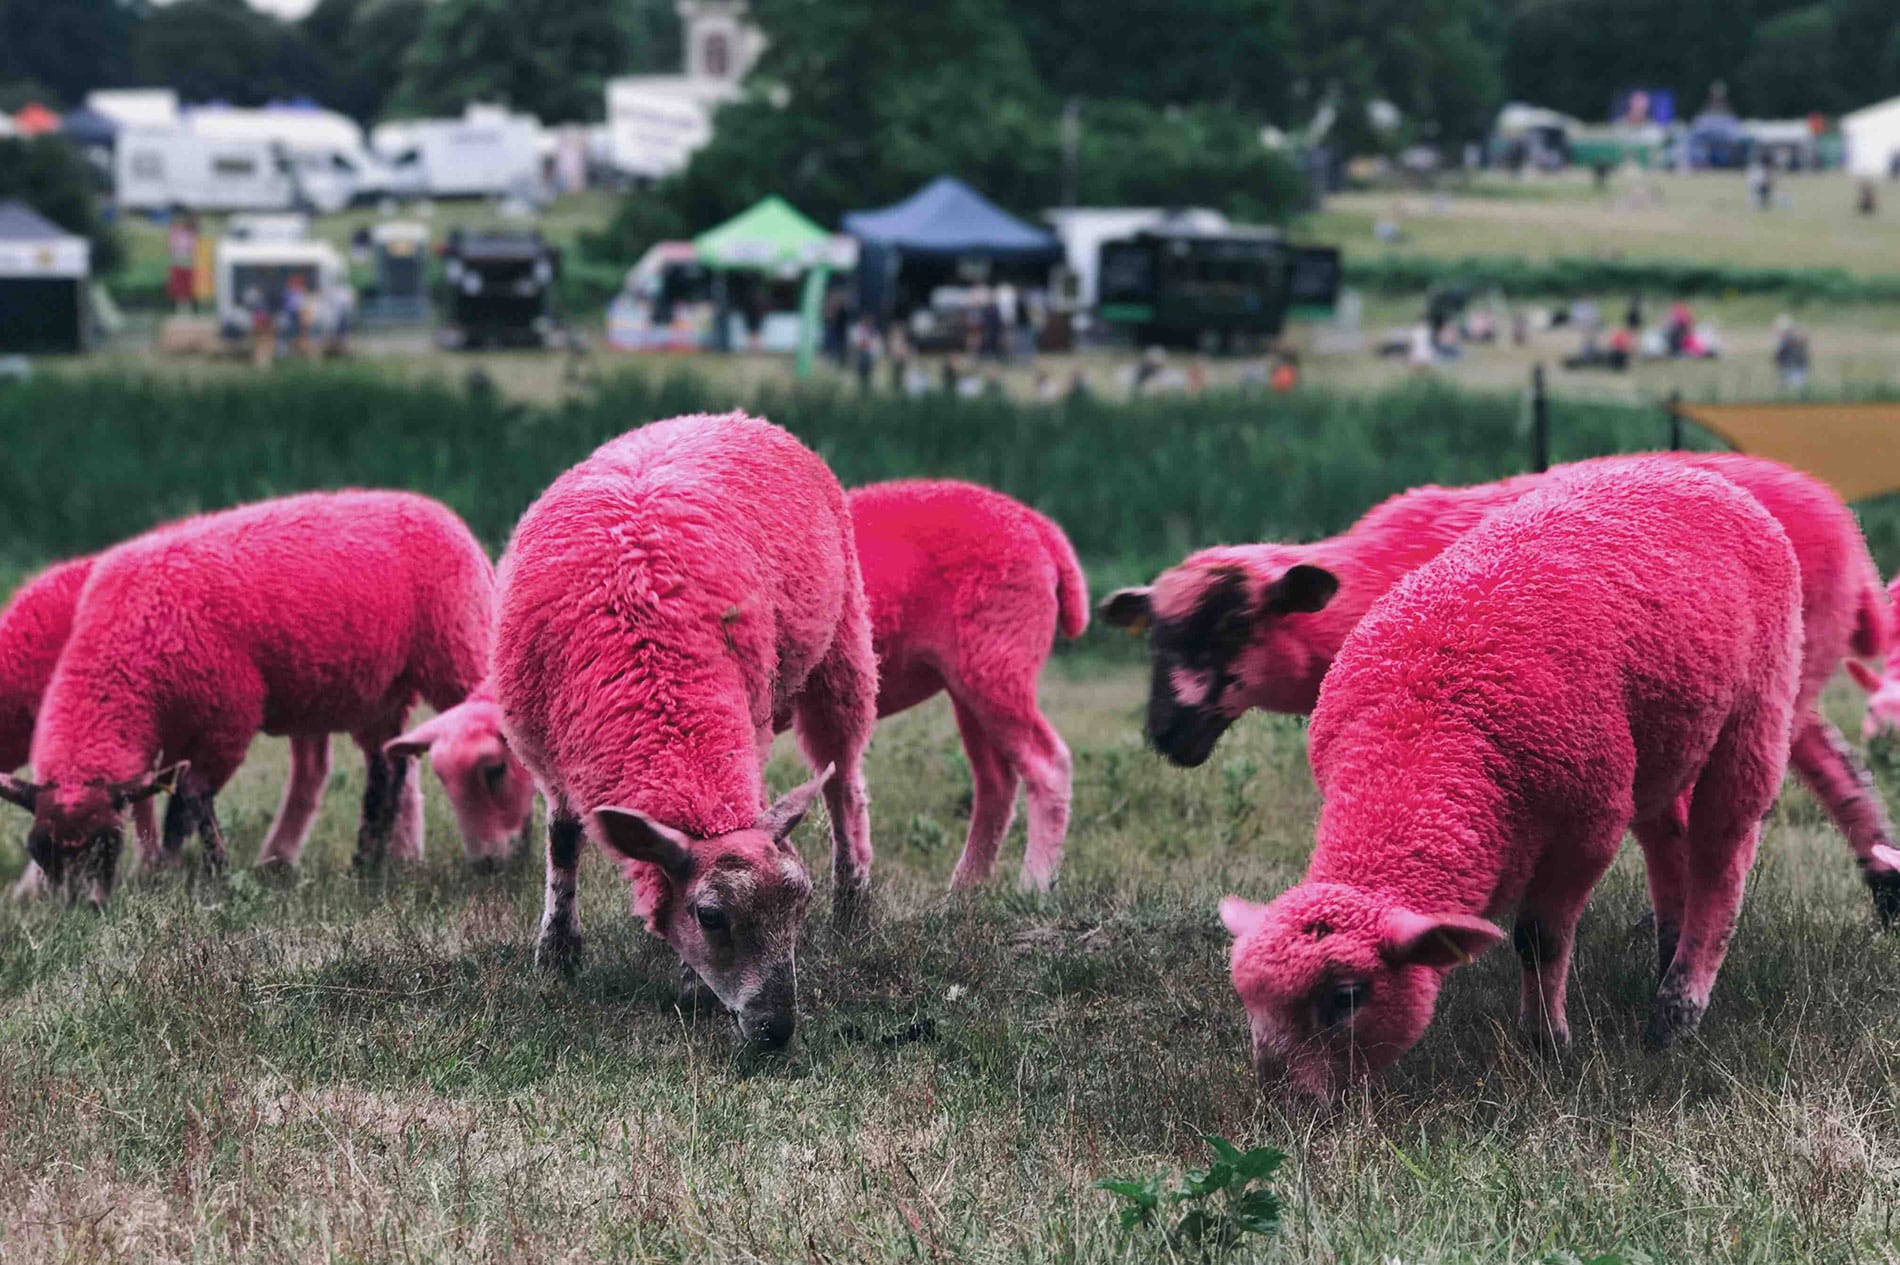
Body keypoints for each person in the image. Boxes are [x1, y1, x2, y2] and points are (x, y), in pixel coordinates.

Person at [166, 212, 199, 314]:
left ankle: (187, 307)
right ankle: (180, 308)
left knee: (187, 286)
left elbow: (193, 249)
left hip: (188, 262)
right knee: (179, 287)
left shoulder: (190, 234)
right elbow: (172, 248)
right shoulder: (175, 234)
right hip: (178, 261)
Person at [1773, 314, 1810, 391]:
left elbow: (1803, 340)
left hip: (1796, 369)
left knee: (1797, 388)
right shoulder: (1781, 342)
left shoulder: (1794, 340)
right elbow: (1778, 358)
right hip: (1786, 369)